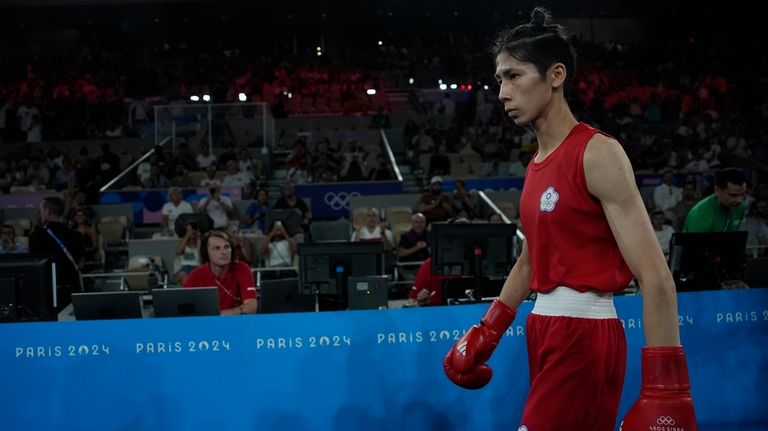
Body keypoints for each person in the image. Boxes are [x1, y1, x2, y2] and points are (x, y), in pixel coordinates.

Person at [442, 9, 695, 431]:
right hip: (544, 329)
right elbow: (529, 262)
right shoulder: (538, 162)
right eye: (499, 79)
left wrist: (666, 390)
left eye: (514, 76)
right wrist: (488, 331)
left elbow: (655, 277)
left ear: (555, 75)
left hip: (585, 333)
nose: (502, 92)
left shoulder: (598, 153)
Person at [29, 196, 85, 310]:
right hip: (72, 288)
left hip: (47, 291)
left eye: (41, 210)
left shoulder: (36, 237)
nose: (40, 213)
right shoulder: (77, 235)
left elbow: (34, 265)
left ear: (47, 211)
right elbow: (80, 262)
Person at [183, 230, 257, 315]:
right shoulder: (196, 276)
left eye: (226, 247)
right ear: (206, 253)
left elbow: (251, 308)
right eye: (217, 248)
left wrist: (218, 316)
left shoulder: (243, 269)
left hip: (237, 324)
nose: (224, 252)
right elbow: (184, 311)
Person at [683, 167, 747, 232]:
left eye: (742, 194)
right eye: (733, 195)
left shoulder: (741, 207)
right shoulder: (699, 215)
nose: (740, 200)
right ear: (717, 190)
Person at [175, 221, 201, 286]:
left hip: (197, 268)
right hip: (184, 268)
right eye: (189, 230)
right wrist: (187, 236)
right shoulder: (182, 242)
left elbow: (201, 256)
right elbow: (179, 251)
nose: (191, 232)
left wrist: (199, 240)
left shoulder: (201, 242)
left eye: (193, 230)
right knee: (185, 277)